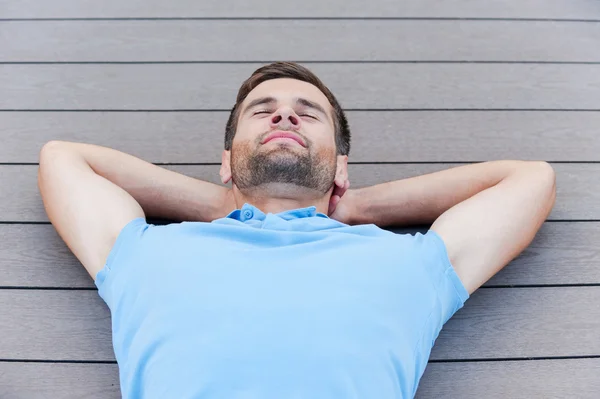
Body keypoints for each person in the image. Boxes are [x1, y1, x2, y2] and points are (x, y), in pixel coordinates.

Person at [37, 62, 556, 399]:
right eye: (262, 112)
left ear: (342, 167)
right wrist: (227, 200)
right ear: (226, 159)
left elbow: (530, 180)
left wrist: (352, 206)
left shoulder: (408, 262)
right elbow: (63, 158)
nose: (284, 114)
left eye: (307, 115)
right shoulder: (146, 253)